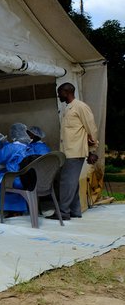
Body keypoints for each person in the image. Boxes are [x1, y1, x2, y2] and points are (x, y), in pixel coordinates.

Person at [55, 82, 99, 220]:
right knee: (71, 181)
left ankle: (63, 212)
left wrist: (92, 150)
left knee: (66, 182)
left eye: (59, 92)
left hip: (75, 152)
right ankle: (74, 211)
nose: (58, 95)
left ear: (66, 92)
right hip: (67, 151)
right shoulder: (68, 108)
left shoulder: (80, 106)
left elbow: (91, 128)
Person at [0, 123, 31, 214]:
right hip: (26, 179)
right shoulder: (28, 147)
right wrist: (5, 142)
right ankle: (17, 209)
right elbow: (13, 154)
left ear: (13, 136)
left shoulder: (12, 147)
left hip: (14, 179)